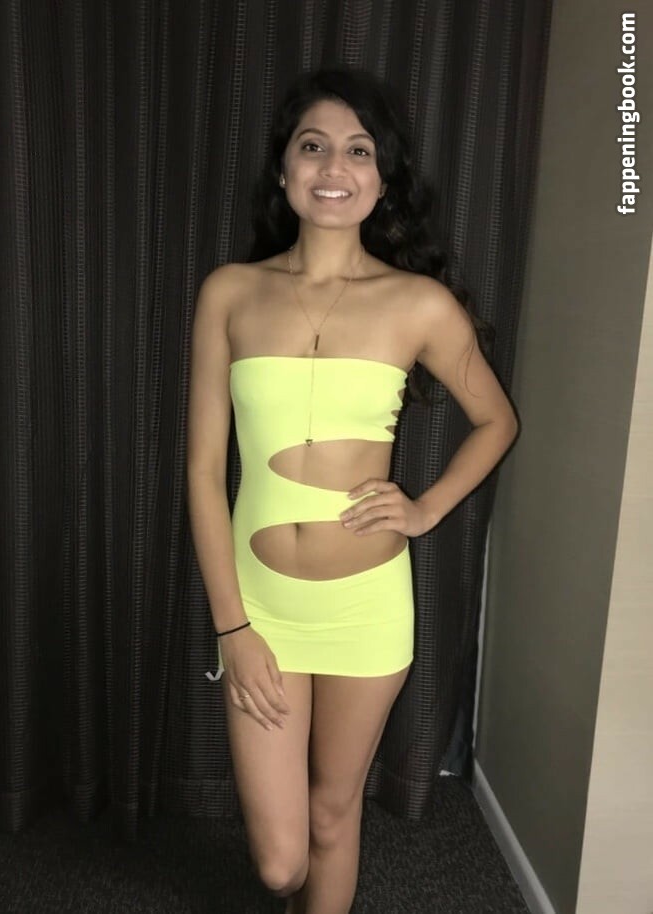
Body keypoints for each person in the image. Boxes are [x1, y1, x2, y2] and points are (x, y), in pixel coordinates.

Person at [187, 68, 518, 914]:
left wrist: (425, 508)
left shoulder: (418, 303)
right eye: (314, 146)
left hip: (366, 611)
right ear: (284, 170)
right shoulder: (230, 292)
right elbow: (202, 472)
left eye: (359, 150)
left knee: (334, 817)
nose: (334, 166)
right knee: (279, 864)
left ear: (382, 178)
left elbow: (497, 421)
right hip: (259, 610)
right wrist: (233, 628)